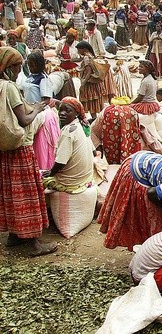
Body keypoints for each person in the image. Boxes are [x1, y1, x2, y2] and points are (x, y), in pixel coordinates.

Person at [0, 47, 57, 256]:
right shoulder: (10, 87)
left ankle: (14, 236)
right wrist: (38, 110)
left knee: (11, 193)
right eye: (16, 66)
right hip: (20, 148)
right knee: (28, 193)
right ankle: (34, 243)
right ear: (9, 67)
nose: (18, 70)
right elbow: (23, 120)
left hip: (5, 148)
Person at [41, 97, 94, 194]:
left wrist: (51, 173)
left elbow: (61, 162)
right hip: (85, 178)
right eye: (60, 110)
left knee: (37, 181)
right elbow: (93, 152)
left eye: (67, 111)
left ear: (76, 113)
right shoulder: (82, 126)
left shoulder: (68, 132)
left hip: (71, 183)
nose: (62, 113)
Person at [76, 41, 105, 118]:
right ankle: (95, 119)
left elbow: (88, 72)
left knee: (89, 102)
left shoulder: (86, 58)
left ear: (84, 49)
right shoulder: (91, 55)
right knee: (94, 104)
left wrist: (83, 84)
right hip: (94, 84)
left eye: (79, 50)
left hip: (88, 84)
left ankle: (92, 119)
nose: (78, 52)